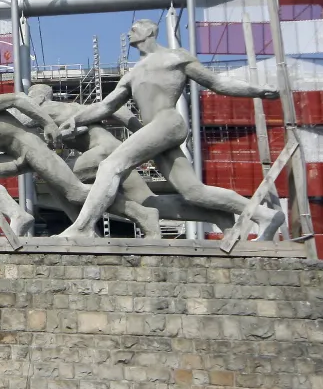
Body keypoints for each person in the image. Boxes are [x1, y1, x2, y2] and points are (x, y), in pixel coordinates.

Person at [56, 19, 284, 239]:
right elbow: (106, 106)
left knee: (110, 165)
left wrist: (258, 90)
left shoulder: (175, 57)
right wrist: (76, 119)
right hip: (155, 131)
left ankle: (83, 227)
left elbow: (218, 83)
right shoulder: (133, 73)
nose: (129, 33)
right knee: (194, 191)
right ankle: (264, 214)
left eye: (134, 29)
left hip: (167, 122)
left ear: (149, 33)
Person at [0, 90, 157, 238]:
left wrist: (47, 123)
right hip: (13, 158)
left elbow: (17, 99)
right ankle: (18, 217)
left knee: (75, 193)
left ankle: (140, 213)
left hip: (31, 148)